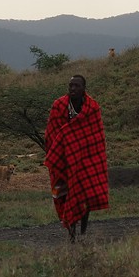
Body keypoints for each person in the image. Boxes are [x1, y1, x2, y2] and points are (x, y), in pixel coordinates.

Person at [44, 74, 109, 242]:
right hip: (63, 161)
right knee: (64, 197)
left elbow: (96, 138)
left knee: (84, 195)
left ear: (83, 88)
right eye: (70, 85)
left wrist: (83, 153)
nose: (72, 88)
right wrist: (58, 153)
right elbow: (51, 134)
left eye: (76, 86)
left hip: (85, 161)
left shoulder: (92, 108)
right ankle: (71, 233)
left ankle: (83, 231)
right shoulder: (59, 106)